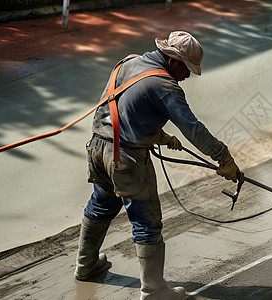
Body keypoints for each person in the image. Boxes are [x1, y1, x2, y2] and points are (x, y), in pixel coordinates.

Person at [74, 31, 240, 300]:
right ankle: (153, 291)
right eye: (186, 68)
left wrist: (161, 136)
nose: (187, 76)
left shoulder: (127, 62)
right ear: (174, 59)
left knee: (102, 203)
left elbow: (125, 110)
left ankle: (85, 265)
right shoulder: (165, 86)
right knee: (147, 222)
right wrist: (224, 158)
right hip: (125, 159)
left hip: (97, 147)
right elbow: (193, 129)